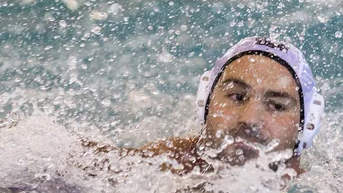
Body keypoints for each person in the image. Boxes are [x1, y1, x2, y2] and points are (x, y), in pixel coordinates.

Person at [82, 36, 325, 179]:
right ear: (205, 103)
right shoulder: (165, 166)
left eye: (276, 106)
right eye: (237, 97)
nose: (250, 119)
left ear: (306, 125)